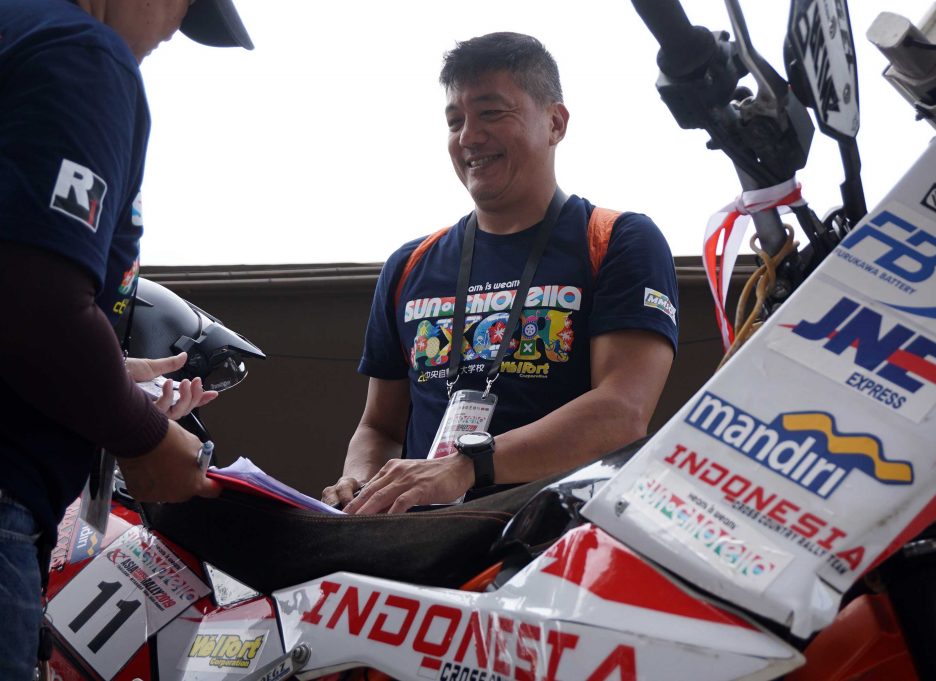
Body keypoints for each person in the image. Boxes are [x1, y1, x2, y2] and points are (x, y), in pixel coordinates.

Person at [323, 32, 679, 515]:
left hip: (551, 535)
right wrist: (360, 483)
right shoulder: (409, 265)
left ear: (555, 123)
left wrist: (467, 466)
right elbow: (380, 427)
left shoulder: (616, 239)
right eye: (455, 121)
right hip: (419, 539)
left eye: (491, 113)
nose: (468, 136)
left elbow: (622, 412)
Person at [0, 0, 253, 677]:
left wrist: (104, 371)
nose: (173, 30)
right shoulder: (81, 51)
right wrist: (145, 438)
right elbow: (36, 303)